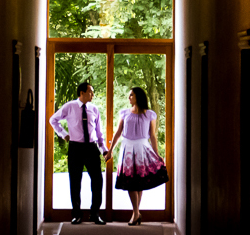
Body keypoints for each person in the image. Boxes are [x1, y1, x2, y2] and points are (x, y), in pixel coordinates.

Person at [105, 87, 169, 225]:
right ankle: (136, 213)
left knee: (139, 182)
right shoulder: (124, 113)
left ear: (138, 97)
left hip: (142, 149)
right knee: (130, 181)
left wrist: (157, 155)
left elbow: (152, 135)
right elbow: (117, 133)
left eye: (131, 95)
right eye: (129, 95)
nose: (129, 97)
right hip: (127, 148)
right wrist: (110, 151)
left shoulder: (149, 115)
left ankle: (135, 213)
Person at [49, 82, 108, 224]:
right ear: (81, 93)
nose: (92, 95)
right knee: (75, 181)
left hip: (92, 148)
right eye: (90, 92)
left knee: (98, 181)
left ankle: (95, 213)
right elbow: (53, 120)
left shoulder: (94, 109)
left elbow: (99, 132)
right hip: (76, 148)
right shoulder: (69, 107)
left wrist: (104, 150)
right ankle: (76, 214)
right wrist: (63, 134)